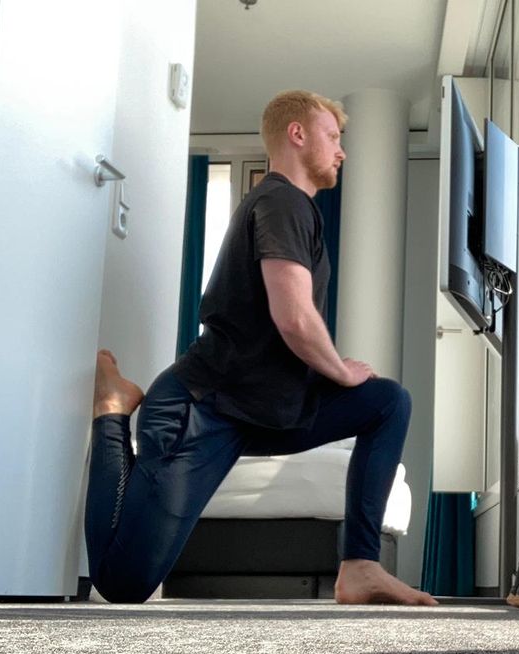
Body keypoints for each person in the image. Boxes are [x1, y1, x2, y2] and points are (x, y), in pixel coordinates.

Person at [85, 89, 437, 606]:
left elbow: (285, 331)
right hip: (201, 409)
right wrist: (339, 371)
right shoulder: (280, 199)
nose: (342, 151)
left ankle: (360, 565)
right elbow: (292, 316)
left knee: (387, 402)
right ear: (297, 134)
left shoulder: (299, 211)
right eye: (333, 137)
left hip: (265, 410)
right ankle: (113, 410)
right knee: (122, 584)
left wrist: (332, 377)